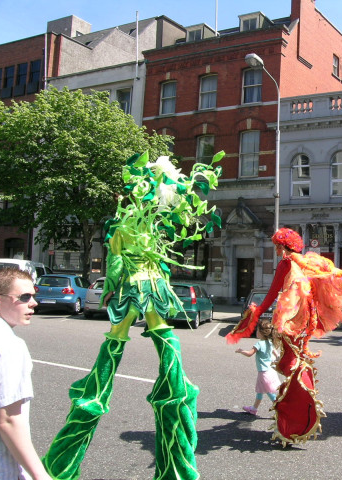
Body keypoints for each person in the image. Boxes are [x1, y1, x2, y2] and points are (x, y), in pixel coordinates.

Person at [42, 151, 222, 480]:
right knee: (166, 348)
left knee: (112, 349)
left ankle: (65, 459)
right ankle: (176, 455)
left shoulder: (124, 224)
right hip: (156, 289)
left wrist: (110, 287)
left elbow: (114, 262)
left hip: (131, 290)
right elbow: (163, 254)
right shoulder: (154, 224)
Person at [227, 228, 342, 446]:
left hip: (291, 320)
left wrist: (256, 312)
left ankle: (292, 420)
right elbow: (328, 274)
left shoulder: (286, 264)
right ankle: (298, 414)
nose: (275, 249)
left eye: (276, 246)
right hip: (306, 321)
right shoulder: (307, 262)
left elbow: (272, 293)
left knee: (292, 363)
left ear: (283, 246)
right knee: (297, 362)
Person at [0, 267, 52, 480]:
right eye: (25, 297)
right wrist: (40, 475)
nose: (34, 303)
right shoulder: (8, 345)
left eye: (34, 295)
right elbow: (8, 420)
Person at [235, 319, 281, 416]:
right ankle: (254, 409)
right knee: (260, 391)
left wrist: (241, 351)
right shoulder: (269, 342)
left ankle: (280, 410)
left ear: (261, 332)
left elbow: (249, 354)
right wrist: (277, 357)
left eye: (257, 330)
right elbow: (275, 353)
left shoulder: (259, 344)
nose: (256, 332)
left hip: (264, 373)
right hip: (270, 371)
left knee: (269, 393)